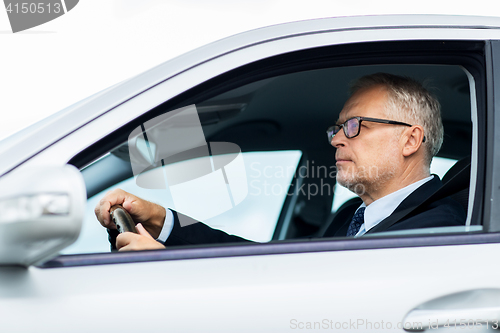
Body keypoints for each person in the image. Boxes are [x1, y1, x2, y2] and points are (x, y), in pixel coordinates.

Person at [95, 73, 466, 251]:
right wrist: (164, 222)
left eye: (354, 126)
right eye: (337, 128)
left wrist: (171, 272)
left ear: (411, 139)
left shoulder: (437, 230)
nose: (337, 138)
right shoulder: (352, 215)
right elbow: (267, 265)